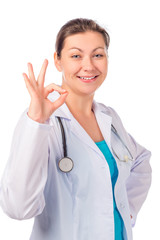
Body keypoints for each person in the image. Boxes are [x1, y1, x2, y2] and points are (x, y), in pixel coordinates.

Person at [0, 18, 151, 240]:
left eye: (98, 55)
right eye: (76, 56)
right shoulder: (40, 120)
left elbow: (140, 161)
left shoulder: (108, 117)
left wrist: (126, 211)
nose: (89, 65)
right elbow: (18, 208)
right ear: (58, 61)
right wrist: (37, 123)